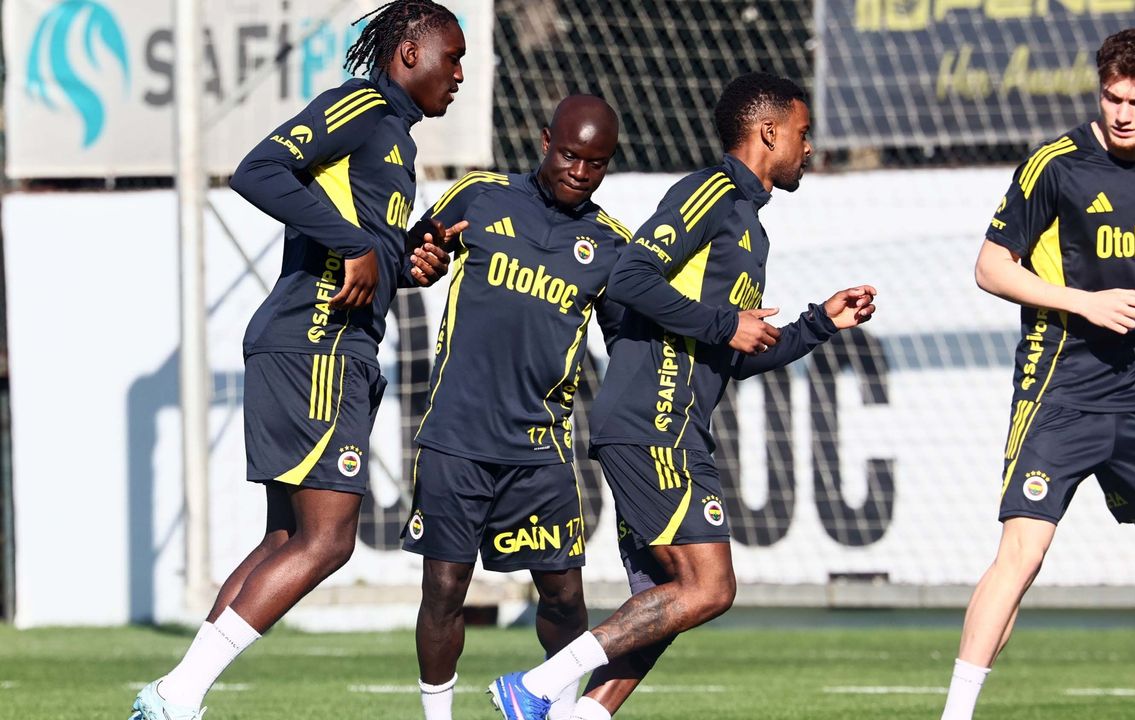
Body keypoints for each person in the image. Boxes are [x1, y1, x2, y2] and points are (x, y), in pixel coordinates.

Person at [488, 72, 878, 720]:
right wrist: (724, 323)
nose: (809, 147)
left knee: (670, 600)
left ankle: (579, 714)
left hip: (679, 426)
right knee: (710, 586)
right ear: (768, 132)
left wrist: (819, 324)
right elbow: (630, 277)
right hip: (651, 420)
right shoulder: (711, 192)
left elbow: (734, 355)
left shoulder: (751, 229)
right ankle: (537, 685)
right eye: (802, 133)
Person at [129, 3, 466, 718]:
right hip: (316, 343)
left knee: (286, 536)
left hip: (326, 345)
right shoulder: (363, 106)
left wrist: (408, 256)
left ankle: (176, 696)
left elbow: (361, 254)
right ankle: (177, 692)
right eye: (453, 56)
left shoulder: (394, 137)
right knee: (328, 540)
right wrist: (356, 244)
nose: (460, 74)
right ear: (409, 53)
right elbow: (258, 170)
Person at [939, 27, 1135, 720]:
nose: (1122, 113)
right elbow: (990, 267)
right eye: (1112, 97)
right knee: (1023, 555)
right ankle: (956, 715)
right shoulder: (1055, 166)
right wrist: (1081, 302)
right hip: (1059, 393)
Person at [402, 95, 630, 720]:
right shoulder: (479, 196)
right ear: (545, 140)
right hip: (455, 438)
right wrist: (423, 260)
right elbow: (411, 254)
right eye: (570, 155)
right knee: (444, 588)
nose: (580, 171)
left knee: (563, 597)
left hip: (540, 450)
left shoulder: (612, 246)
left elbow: (631, 347)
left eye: (596, 162)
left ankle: (558, 708)